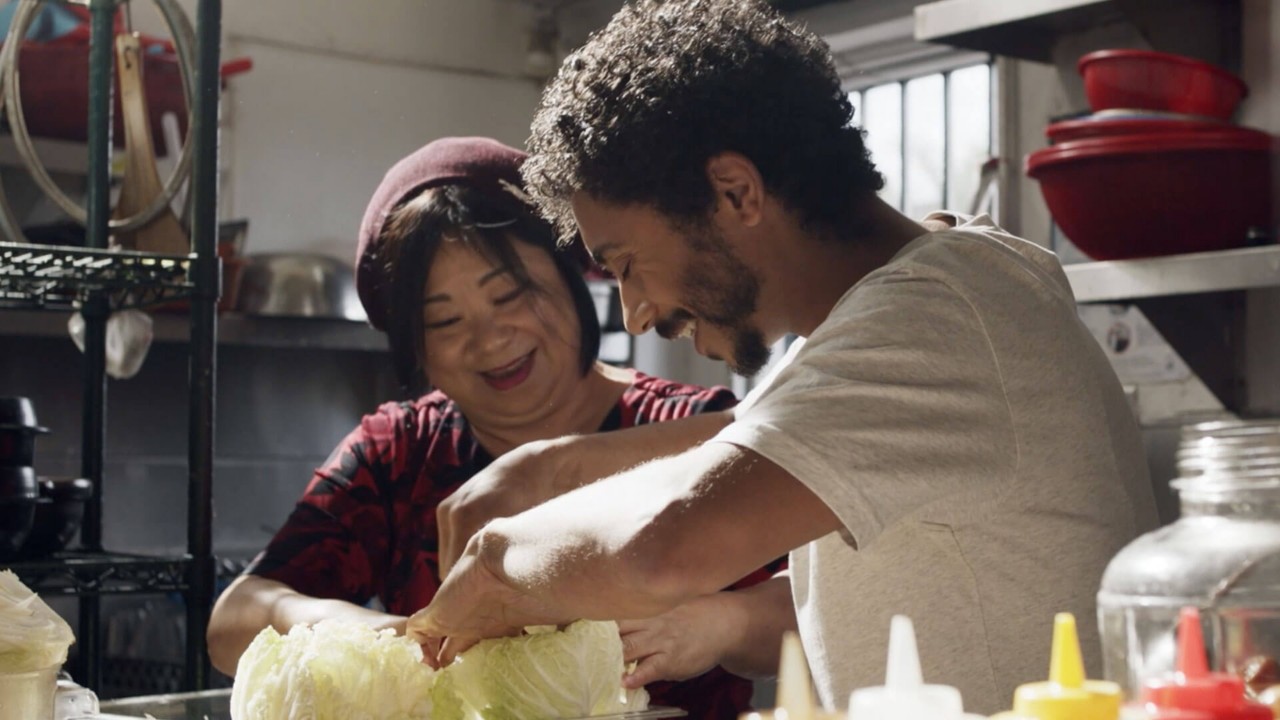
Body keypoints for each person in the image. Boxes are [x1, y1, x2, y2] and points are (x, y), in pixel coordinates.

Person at [404, 2, 1161, 715]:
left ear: (735, 192)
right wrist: (552, 467)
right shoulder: (938, 283)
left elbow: (662, 550)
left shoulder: (937, 319)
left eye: (629, 263)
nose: (637, 313)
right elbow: (755, 427)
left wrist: (494, 567)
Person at [205, 136, 785, 719]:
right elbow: (234, 619)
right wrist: (370, 634)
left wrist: (714, 625)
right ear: (416, 348)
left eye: (509, 296)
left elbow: (815, 604)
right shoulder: (399, 454)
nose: (488, 339)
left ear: (573, 280)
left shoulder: (689, 428)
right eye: (445, 320)